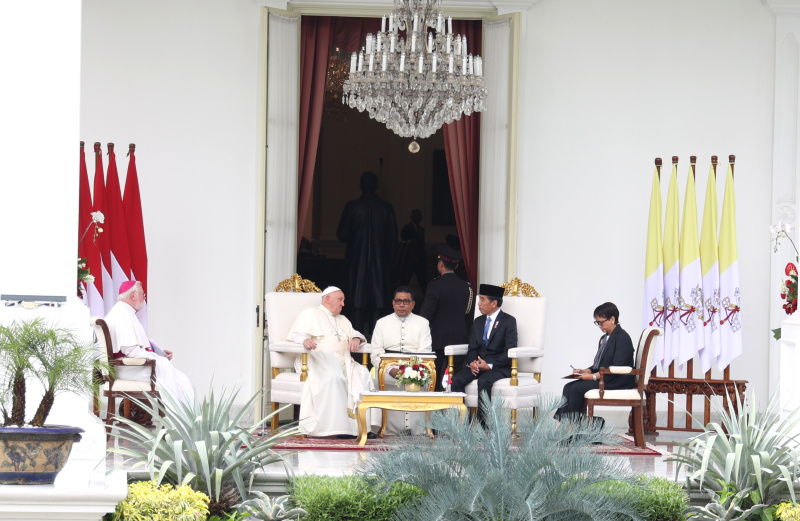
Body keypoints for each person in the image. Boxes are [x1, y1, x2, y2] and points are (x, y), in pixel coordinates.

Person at [287, 286, 377, 438]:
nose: (343, 304)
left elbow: (355, 333)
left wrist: (355, 339)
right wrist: (305, 339)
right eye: (340, 300)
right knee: (334, 377)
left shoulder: (343, 319)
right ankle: (339, 428)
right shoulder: (310, 313)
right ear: (327, 298)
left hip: (343, 359)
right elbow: (297, 334)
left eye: (343, 300)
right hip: (318, 358)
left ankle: (360, 428)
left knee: (364, 375)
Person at [103, 280, 194, 405]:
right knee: (179, 380)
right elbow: (130, 350)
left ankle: (183, 419)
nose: (144, 298)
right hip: (128, 369)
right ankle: (179, 420)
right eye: (142, 294)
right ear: (133, 295)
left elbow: (133, 346)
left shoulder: (123, 311)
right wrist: (156, 358)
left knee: (180, 379)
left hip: (130, 367)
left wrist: (158, 354)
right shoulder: (122, 313)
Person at [336, 171, 398, 337]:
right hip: (380, 266)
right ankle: (375, 345)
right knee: (378, 308)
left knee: (357, 306)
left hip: (357, 265)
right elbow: (393, 241)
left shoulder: (352, 207)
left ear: (361, 186)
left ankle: (355, 345)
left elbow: (341, 234)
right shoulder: (386, 208)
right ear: (376, 187)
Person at [554, 302, 635, 421]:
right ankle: (568, 425)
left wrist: (592, 377)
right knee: (568, 387)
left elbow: (618, 367)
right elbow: (599, 365)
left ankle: (571, 426)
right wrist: (584, 371)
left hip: (617, 380)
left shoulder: (622, 337)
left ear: (612, 319)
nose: (599, 326)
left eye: (601, 322)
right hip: (605, 377)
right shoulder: (604, 338)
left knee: (575, 388)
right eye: (597, 323)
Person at [451, 284, 518, 426]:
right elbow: (472, 348)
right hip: (477, 365)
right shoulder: (478, 321)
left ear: (494, 303)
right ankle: (464, 423)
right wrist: (473, 363)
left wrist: (490, 365)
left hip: (498, 367)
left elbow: (510, 350)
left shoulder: (508, 321)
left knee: (484, 382)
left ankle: (482, 426)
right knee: (457, 380)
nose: (479, 304)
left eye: (482, 300)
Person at [370, 286, 433, 434]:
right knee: (373, 379)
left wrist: (411, 370)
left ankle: (419, 429)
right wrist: (391, 370)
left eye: (406, 301)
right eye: (398, 301)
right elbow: (376, 353)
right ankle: (380, 428)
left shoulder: (422, 323)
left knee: (422, 380)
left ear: (413, 304)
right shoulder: (382, 323)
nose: (401, 305)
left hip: (415, 367)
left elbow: (425, 351)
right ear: (393, 303)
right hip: (387, 368)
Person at [419, 244, 473, 391]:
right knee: (455, 377)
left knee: (434, 377)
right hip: (460, 339)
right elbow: (468, 315)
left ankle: (436, 409)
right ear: (456, 266)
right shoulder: (467, 287)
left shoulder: (435, 285)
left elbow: (426, 315)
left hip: (438, 339)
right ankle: (454, 408)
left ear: (441, 263)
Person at [399, 209, 427, 292]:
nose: (419, 218)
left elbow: (422, 245)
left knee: (423, 281)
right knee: (405, 281)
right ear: (412, 217)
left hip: (420, 260)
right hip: (409, 260)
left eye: (419, 216)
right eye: (416, 216)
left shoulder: (421, 230)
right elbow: (407, 245)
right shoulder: (406, 229)